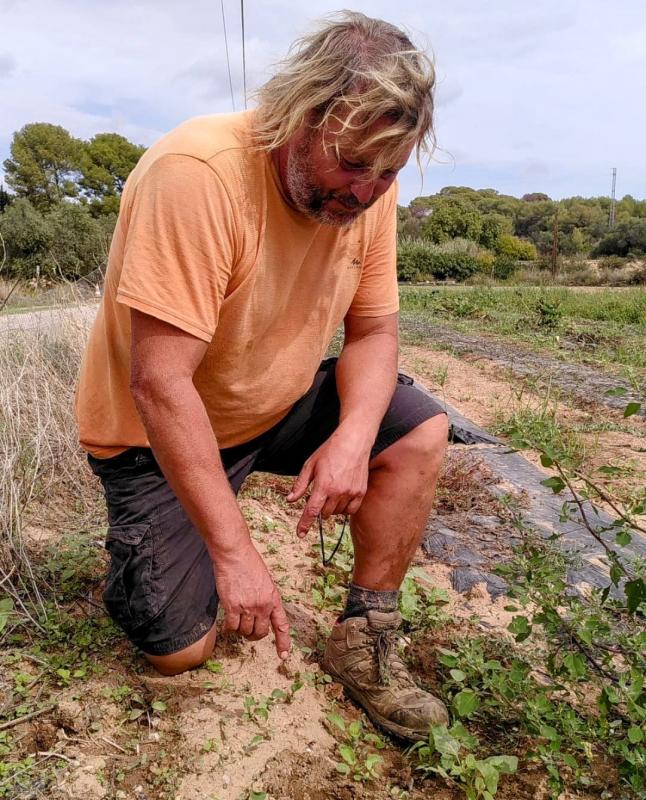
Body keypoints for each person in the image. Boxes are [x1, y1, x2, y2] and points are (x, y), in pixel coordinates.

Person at [75, 11, 449, 742]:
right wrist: (235, 550)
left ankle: (366, 635)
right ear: (299, 117)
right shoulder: (199, 175)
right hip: (155, 437)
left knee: (418, 431)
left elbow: (374, 331)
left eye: (389, 171)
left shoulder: (371, 191)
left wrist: (353, 439)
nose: (367, 192)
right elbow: (159, 384)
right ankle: (152, 550)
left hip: (270, 408)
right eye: (352, 165)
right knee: (180, 650)